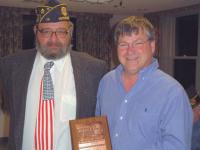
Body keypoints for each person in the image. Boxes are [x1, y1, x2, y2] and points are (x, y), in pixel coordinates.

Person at [0, 0, 107, 150]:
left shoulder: (94, 69)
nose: (54, 39)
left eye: (61, 31)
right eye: (46, 31)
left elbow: (97, 119)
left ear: (70, 32)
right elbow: (11, 108)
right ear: (35, 31)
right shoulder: (11, 66)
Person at [95, 16, 193, 150]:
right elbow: (99, 131)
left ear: (152, 46)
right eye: (123, 44)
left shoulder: (172, 92)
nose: (130, 51)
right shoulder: (106, 82)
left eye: (138, 43)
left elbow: (177, 147)